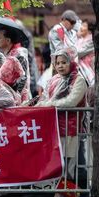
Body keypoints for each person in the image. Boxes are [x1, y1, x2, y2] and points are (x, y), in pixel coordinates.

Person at [36, 49, 88, 182]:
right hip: (54, 129)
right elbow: (44, 99)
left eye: (64, 62)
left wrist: (48, 104)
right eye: (57, 63)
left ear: (71, 62)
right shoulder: (53, 79)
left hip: (72, 130)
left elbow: (71, 102)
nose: (60, 66)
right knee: (58, 166)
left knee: (72, 167)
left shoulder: (79, 80)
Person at [0, 29, 31, 102]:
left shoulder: (18, 55)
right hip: (8, 97)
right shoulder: (6, 55)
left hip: (18, 100)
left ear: (8, 40)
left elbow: (23, 78)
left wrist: (16, 95)